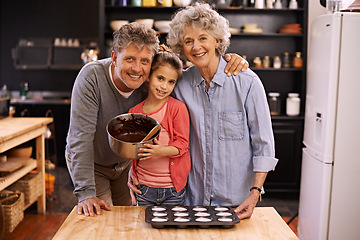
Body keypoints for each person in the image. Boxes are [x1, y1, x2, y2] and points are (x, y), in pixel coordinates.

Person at [65, 22, 248, 216]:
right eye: (129, 59)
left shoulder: (150, 81)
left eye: (144, 61)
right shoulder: (91, 77)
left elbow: (178, 71)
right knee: (102, 220)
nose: (137, 68)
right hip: (94, 164)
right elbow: (80, 139)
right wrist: (85, 192)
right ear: (114, 57)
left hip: (126, 164)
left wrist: (227, 60)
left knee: (126, 219)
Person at [130, 3, 278, 220]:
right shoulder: (179, 84)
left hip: (237, 202)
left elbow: (264, 146)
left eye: (203, 38)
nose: (196, 46)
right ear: (182, 47)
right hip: (191, 200)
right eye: (188, 41)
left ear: (218, 40)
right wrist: (132, 172)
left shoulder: (247, 83)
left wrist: (255, 193)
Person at [129, 45, 190, 206]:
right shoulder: (134, 112)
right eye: (160, 78)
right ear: (149, 76)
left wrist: (160, 151)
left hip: (172, 189)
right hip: (143, 188)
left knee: (172, 231)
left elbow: (183, 144)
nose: (164, 87)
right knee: (143, 230)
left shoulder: (177, 108)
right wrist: (130, 172)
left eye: (171, 82)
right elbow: (131, 150)